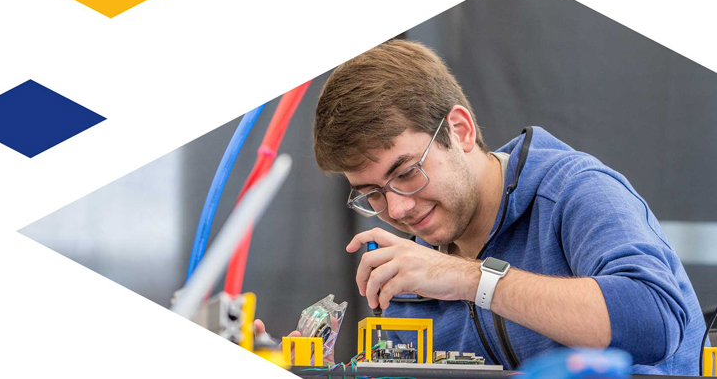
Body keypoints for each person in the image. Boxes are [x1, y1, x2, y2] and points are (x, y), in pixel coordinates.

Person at [257, 39, 706, 374]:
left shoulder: (575, 192)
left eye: (407, 171)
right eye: (372, 193)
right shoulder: (410, 276)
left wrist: (469, 279)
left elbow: (654, 319)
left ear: (460, 129)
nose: (397, 208)